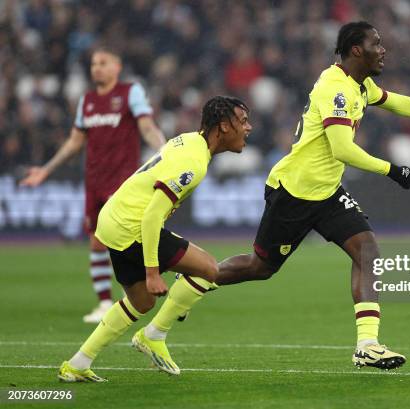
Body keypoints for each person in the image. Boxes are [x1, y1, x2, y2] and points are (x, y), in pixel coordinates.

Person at [213, 21, 410, 370]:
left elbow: (397, 102)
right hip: (295, 191)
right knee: (260, 267)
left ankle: (368, 345)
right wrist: (393, 170)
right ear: (357, 50)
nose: (383, 49)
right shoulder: (335, 88)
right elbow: (342, 149)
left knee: (367, 250)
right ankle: (199, 275)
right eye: (376, 43)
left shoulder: (361, 85)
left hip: (326, 192)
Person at [57, 96, 252, 382]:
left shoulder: (187, 141)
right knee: (209, 269)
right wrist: (152, 272)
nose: (249, 128)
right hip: (133, 225)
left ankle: (77, 363)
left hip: (113, 220)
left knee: (141, 302)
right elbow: (151, 217)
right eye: (243, 121)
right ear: (223, 126)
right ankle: (154, 335)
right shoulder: (194, 163)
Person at [20, 47, 166, 323]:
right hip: (95, 182)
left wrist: (166, 152)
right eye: (93, 64)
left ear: (117, 66)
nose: (96, 68)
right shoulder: (87, 101)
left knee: (131, 239)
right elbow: (75, 141)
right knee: (97, 243)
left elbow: (146, 126)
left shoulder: (129, 92)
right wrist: (46, 170)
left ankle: (156, 278)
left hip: (123, 181)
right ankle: (103, 304)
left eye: (103, 63)